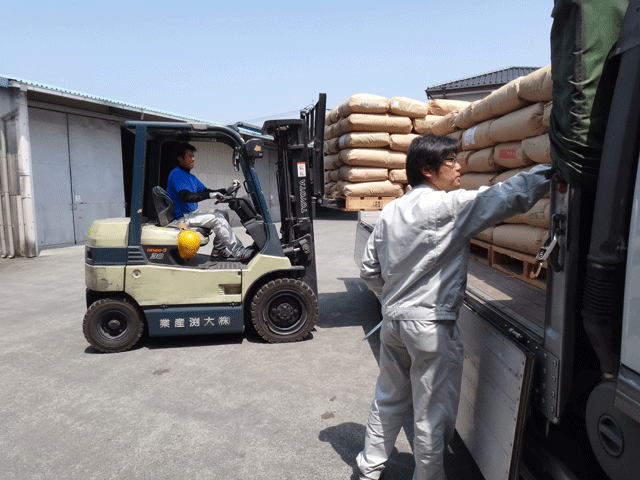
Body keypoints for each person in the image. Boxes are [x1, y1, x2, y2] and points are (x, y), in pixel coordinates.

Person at [356, 134, 552, 480]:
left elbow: (369, 270)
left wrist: (393, 299)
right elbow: (506, 197)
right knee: (431, 416)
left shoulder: (390, 212)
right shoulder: (447, 207)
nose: (459, 167)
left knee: (388, 398)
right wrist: (550, 172)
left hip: (393, 323)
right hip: (431, 325)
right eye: (451, 161)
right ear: (428, 169)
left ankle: (368, 469)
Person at [166, 142, 253, 260]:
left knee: (223, 213)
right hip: (181, 218)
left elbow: (206, 191)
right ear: (180, 158)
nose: (193, 159)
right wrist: (210, 195)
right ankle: (239, 251)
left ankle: (219, 249)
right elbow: (186, 196)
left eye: (193, 156)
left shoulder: (191, 177)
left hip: (191, 214)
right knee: (217, 218)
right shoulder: (176, 174)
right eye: (190, 156)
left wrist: (225, 189)